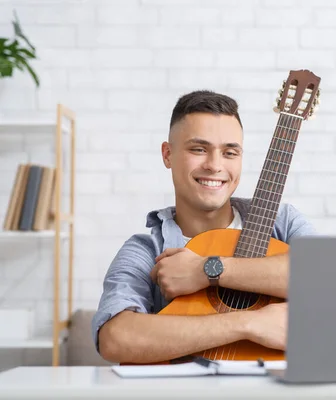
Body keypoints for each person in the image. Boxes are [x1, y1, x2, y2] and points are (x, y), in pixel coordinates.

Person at [92, 90, 316, 364]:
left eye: (230, 152)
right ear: (167, 154)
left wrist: (208, 270)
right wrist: (248, 323)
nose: (215, 165)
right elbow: (116, 338)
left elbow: (332, 279)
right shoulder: (147, 250)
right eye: (199, 149)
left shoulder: (281, 222)